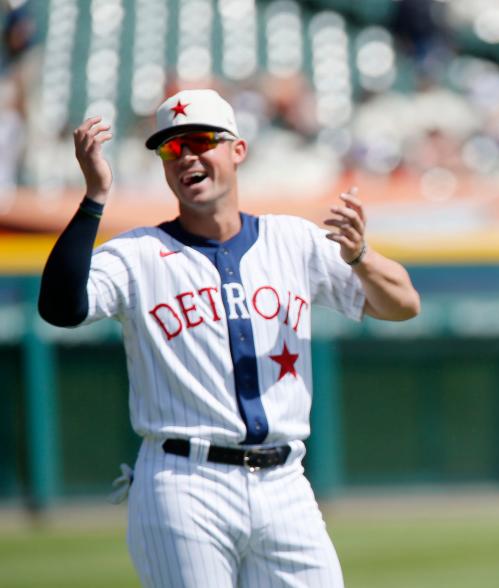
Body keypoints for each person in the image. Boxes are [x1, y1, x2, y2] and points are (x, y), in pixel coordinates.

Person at [38, 88, 421, 587]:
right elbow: (60, 308)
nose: (186, 156)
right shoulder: (137, 255)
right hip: (184, 481)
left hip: (286, 483)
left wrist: (360, 256)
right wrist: (94, 199)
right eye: (171, 148)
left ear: (237, 150)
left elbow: (403, 304)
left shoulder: (294, 240)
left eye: (199, 141)